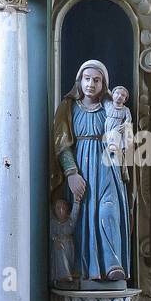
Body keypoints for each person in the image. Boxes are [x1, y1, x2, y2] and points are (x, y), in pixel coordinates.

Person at [52, 60, 131, 284]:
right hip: (82, 171)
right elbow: (62, 144)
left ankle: (113, 264)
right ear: (80, 80)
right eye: (87, 79)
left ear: (103, 83)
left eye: (96, 80)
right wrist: (71, 174)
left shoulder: (110, 109)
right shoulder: (68, 107)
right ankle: (88, 270)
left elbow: (124, 131)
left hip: (108, 168)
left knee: (109, 212)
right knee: (86, 215)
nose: (91, 84)